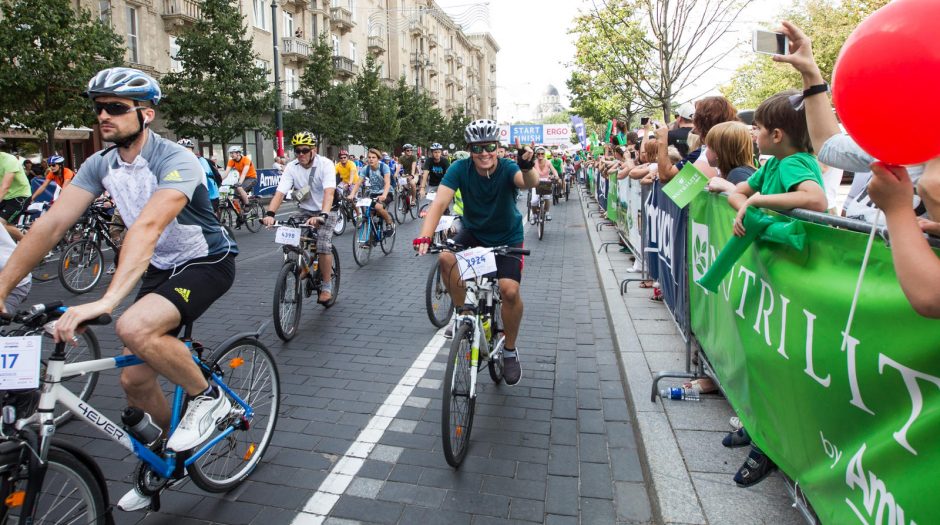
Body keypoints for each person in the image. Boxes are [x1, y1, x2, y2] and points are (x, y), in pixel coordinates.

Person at [0, 67, 238, 511]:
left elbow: (147, 227)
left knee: (134, 326)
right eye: (98, 108)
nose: (103, 116)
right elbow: (51, 226)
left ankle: (211, 398)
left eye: (115, 108)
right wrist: (2, 288)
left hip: (207, 261)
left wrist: (108, 300)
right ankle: (174, 453)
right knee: (132, 381)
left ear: (145, 114)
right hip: (162, 268)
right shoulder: (100, 163)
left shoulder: (176, 159)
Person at [414, 120, 539, 385]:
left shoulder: (507, 167)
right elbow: (440, 202)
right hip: (474, 233)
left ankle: (509, 350)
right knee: (445, 257)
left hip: (507, 236)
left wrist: (527, 166)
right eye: (478, 148)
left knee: (509, 291)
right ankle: (465, 314)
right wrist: (425, 235)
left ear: (497, 147)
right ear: (470, 150)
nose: (485, 153)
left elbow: (528, 182)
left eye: (490, 147)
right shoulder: (460, 168)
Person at [262, 132, 338, 304]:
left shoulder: (325, 165)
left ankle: (326, 286)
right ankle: (302, 265)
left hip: (326, 209)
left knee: (323, 244)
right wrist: (270, 214)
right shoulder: (291, 167)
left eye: (304, 150)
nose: (301, 154)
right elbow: (280, 193)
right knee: (288, 236)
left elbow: (329, 193)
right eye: (297, 151)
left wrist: (322, 215)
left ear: (314, 150)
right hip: (304, 210)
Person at [703, 121, 758, 194]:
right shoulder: (743, 171)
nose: (705, 151)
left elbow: (747, 201)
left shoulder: (737, 174)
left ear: (718, 152)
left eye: (707, 147)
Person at [178, 138, 221, 214]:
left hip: (211, 196)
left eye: (188, 150)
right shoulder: (180, 163)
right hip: (194, 196)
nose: (185, 153)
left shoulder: (201, 160)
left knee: (207, 221)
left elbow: (203, 174)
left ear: (192, 151)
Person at [0, 140, 31, 241]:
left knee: (1, 224)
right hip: (4, 197)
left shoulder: (9, 160)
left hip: (19, 195)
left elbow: (5, 186)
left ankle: (28, 245)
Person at [360, 148, 395, 235]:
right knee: (369, 215)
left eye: (373, 157)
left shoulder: (384, 167)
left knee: (379, 207)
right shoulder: (366, 169)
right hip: (373, 193)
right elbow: (358, 183)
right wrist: (352, 195)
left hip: (387, 192)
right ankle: (371, 238)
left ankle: (390, 223)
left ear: (378, 159)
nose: (371, 159)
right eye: (369, 157)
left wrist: (384, 195)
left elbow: (387, 183)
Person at [225, 145, 256, 224]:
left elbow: (244, 173)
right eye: (230, 153)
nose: (231, 155)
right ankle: (241, 216)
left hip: (251, 178)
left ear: (238, 153)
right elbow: (226, 173)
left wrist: (239, 183)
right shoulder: (231, 161)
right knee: (235, 199)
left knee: (239, 187)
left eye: (233, 153)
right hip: (242, 179)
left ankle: (247, 205)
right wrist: (218, 180)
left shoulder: (246, 159)